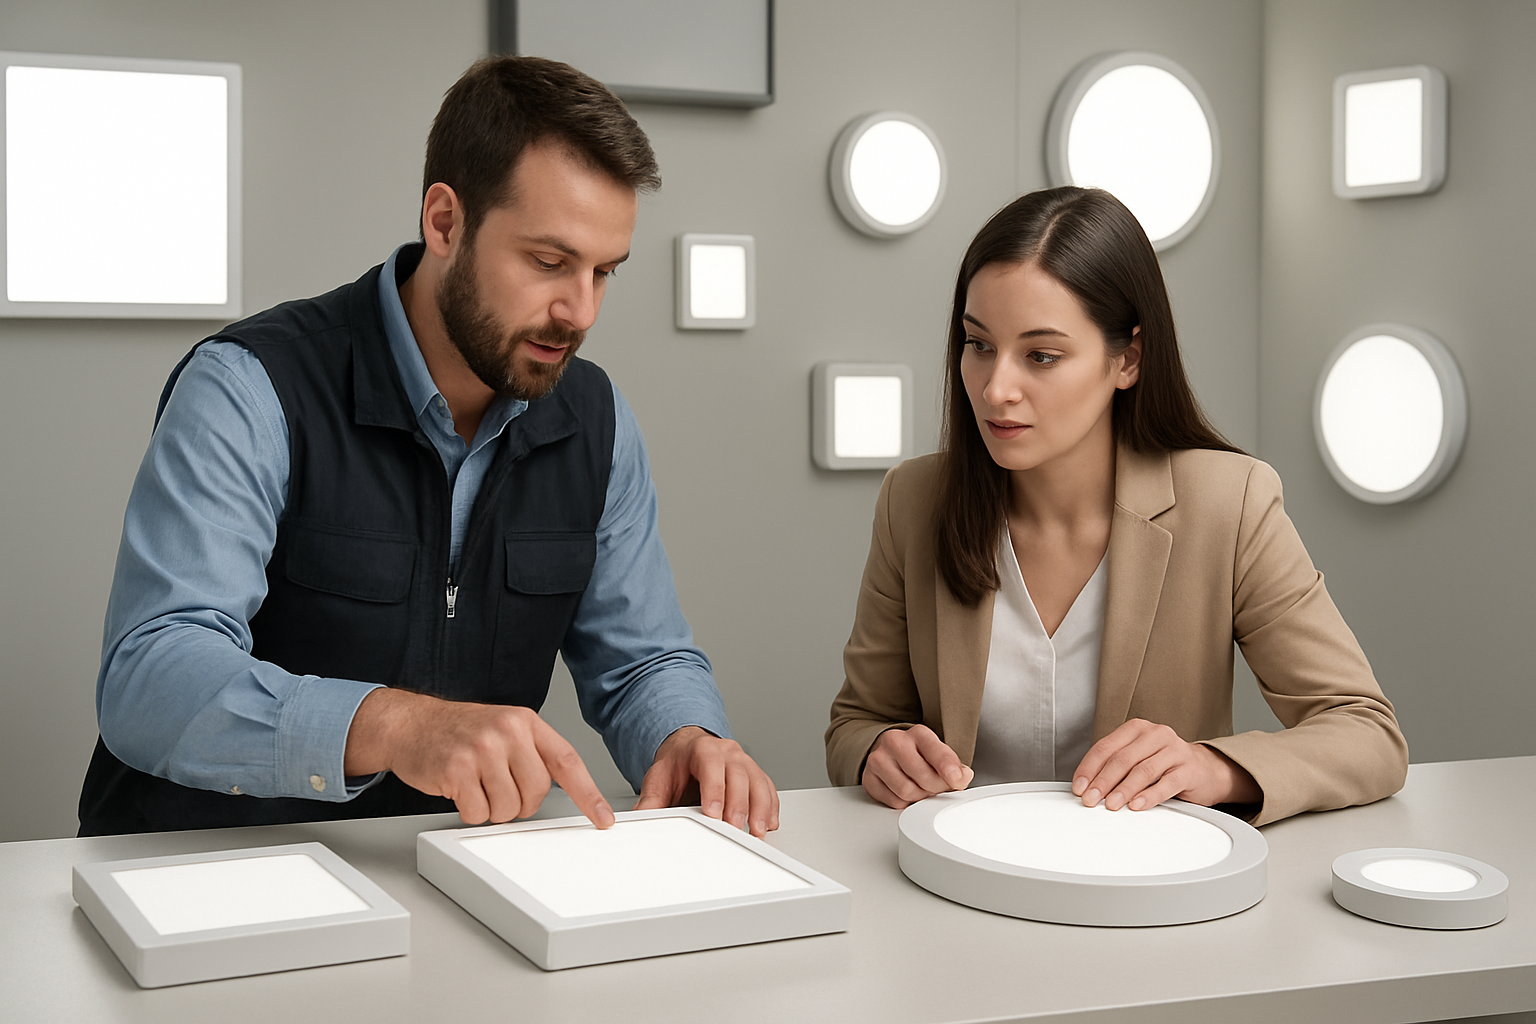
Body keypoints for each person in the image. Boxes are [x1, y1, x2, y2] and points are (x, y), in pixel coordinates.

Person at [79, 56, 778, 838]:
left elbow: (641, 660)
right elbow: (151, 673)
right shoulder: (250, 387)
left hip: (454, 876)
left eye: (603, 272)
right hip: (209, 874)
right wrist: (396, 725)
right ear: (444, 221)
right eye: (548, 262)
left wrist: (689, 735)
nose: (579, 310)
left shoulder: (597, 419)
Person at [825, 187, 1407, 826]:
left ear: (1126, 358)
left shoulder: (1228, 504)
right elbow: (858, 721)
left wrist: (1213, 767)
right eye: (978, 344)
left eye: (1041, 355)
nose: (995, 388)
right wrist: (876, 751)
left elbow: (1367, 733)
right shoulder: (914, 501)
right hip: (955, 879)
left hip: (1142, 908)